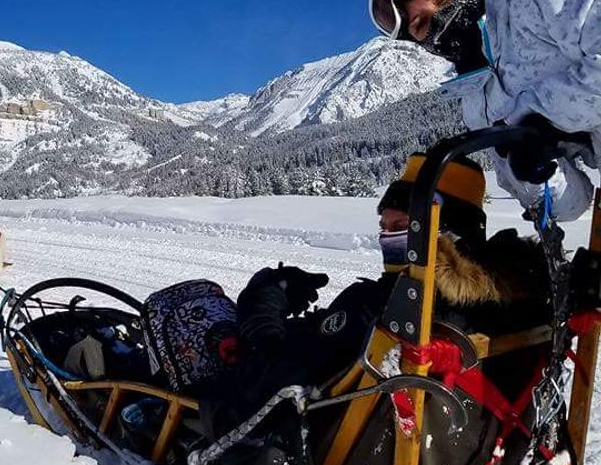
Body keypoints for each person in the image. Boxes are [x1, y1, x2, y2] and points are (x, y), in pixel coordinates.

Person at [233, 154, 548, 415]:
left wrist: (262, 306)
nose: (387, 237)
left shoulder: (383, 308)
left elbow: (273, 368)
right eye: (383, 226)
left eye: (401, 226)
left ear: (447, 232)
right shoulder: (513, 301)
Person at [367, 0, 601, 220]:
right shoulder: (478, 101)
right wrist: (534, 176)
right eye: (421, 24)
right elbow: (566, 206)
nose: (439, 19)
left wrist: (547, 118)